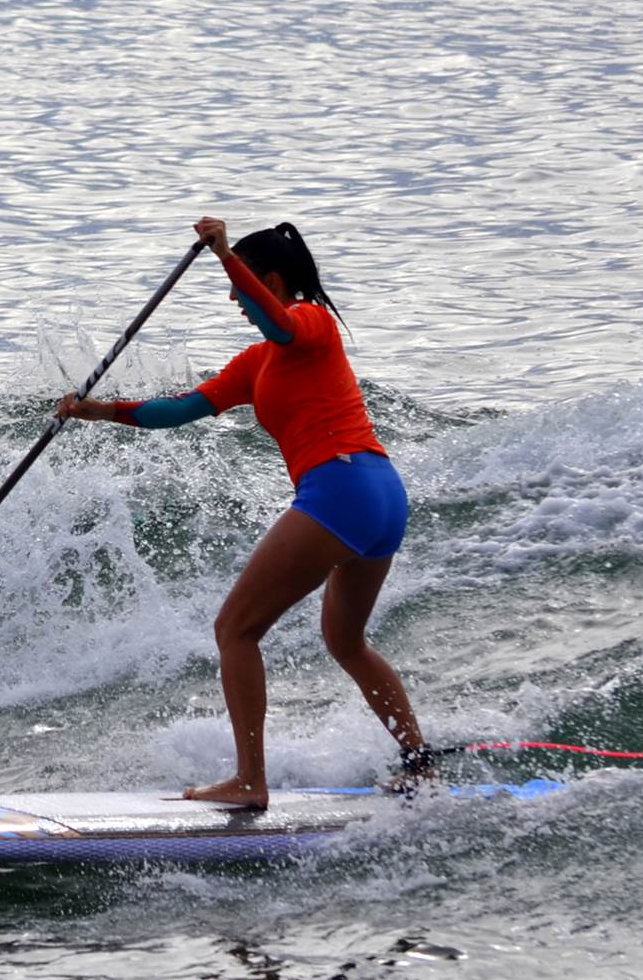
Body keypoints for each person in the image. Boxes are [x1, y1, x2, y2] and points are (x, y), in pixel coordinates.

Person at [55, 217, 427, 808]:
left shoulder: (311, 321)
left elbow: (281, 323)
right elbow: (179, 410)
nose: (234, 299)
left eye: (241, 286)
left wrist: (225, 254)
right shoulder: (257, 363)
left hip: (342, 487)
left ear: (270, 282)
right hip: (378, 494)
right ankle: (419, 763)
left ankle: (251, 780)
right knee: (345, 641)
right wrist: (102, 411)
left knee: (235, 630)